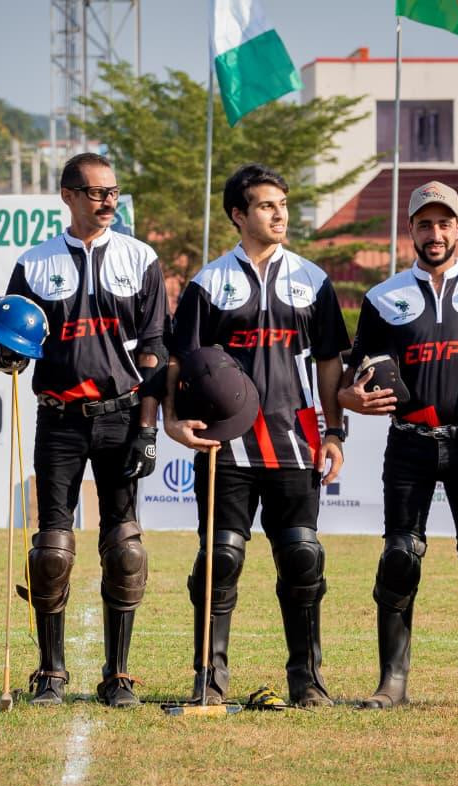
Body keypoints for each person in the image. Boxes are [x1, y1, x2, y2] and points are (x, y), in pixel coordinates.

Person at [162, 163, 350, 708]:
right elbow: (179, 361)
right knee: (220, 559)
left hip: (295, 441)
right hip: (226, 446)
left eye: (283, 205)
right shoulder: (208, 282)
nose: (279, 214)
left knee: (302, 559)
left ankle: (307, 680)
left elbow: (332, 362)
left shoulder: (312, 280)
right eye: (267, 206)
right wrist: (173, 420)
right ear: (239, 214)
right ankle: (209, 678)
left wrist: (335, 432)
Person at [338, 181, 458, 710]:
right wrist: (353, 400)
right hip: (409, 445)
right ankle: (392, 682)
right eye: (424, 224)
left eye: (444, 223)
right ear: (411, 230)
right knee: (400, 556)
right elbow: (350, 380)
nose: (434, 233)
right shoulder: (382, 297)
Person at [0, 152, 168, 709]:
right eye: (97, 193)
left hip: (120, 415)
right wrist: (8, 352)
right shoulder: (35, 263)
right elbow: (15, 335)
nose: (108, 202)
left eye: (114, 192)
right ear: (68, 196)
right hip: (59, 420)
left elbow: (154, 352)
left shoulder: (141, 258)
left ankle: (117, 675)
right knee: (51, 548)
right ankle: (50, 673)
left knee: (124, 548)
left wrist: (147, 428)